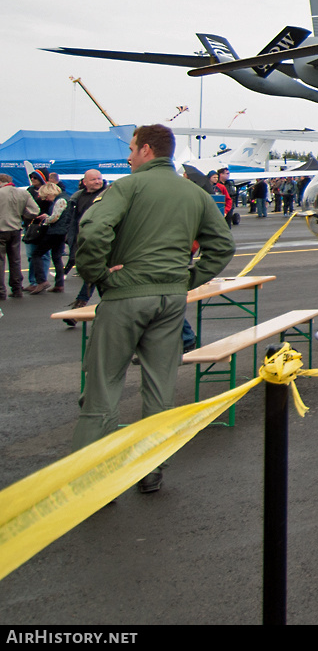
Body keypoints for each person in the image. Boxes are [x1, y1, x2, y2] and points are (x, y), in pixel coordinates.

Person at [71, 125, 235, 493]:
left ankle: (91, 478)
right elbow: (222, 246)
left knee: (103, 385)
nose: (128, 157)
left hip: (125, 297)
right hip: (171, 300)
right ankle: (152, 468)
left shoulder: (126, 188)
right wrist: (187, 280)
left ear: (145, 149)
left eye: (131, 149)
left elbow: (93, 231)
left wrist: (98, 275)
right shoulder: (194, 193)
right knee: (160, 387)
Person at [66, 170, 109, 310]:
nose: (97, 181)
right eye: (93, 179)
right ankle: (107, 307)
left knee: (95, 272)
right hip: (83, 240)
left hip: (102, 241)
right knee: (97, 274)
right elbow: (73, 219)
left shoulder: (108, 195)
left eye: (99, 179)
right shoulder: (77, 197)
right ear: (85, 182)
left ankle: (79, 305)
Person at [0, 174, 40, 300]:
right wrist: (23, 216)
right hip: (16, 229)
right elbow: (35, 211)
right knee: (15, 260)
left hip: (1, 229)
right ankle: (17, 288)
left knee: (0, 261)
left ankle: (1, 291)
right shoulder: (23, 193)